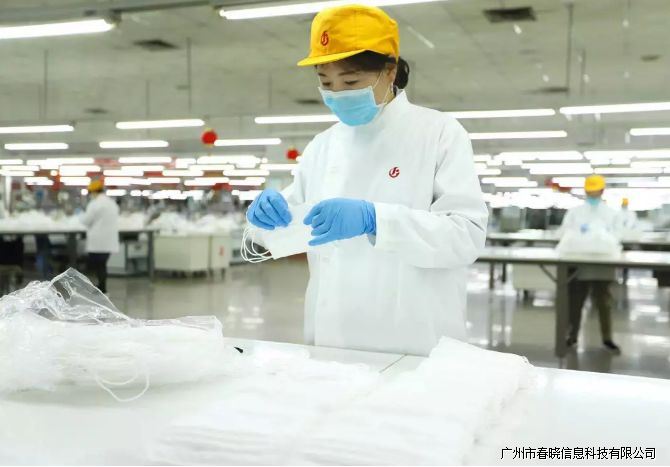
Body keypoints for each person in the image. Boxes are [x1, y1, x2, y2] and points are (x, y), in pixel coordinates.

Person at [246, 4, 488, 356]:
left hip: (413, 343)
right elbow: (282, 225)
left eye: (350, 81)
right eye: (326, 82)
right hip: (330, 339)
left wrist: (376, 220)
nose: (337, 93)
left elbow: (466, 235)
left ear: (390, 71)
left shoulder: (438, 134)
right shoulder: (322, 146)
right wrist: (263, 219)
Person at [560, 175, 621, 354]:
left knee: (604, 303)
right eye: (590, 192)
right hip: (579, 265)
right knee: (575, 302)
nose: (592, 195)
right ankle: (572, 336)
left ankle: (607, 338)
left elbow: (618, 236)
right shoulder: (575, 213)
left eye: (595, 191)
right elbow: (565, 233)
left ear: (602, 191)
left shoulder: (611, 214)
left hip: (604, 264)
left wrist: (602, 239)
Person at [82, 179, 119, 293]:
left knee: (98, 265)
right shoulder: (112, 203)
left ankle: (101, 288)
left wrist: (80, 218)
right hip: (109, 241)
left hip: (97, 241)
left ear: (93, 192)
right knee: (102, 265)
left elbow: (86, 221)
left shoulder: (94, 204)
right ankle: (102, 287)